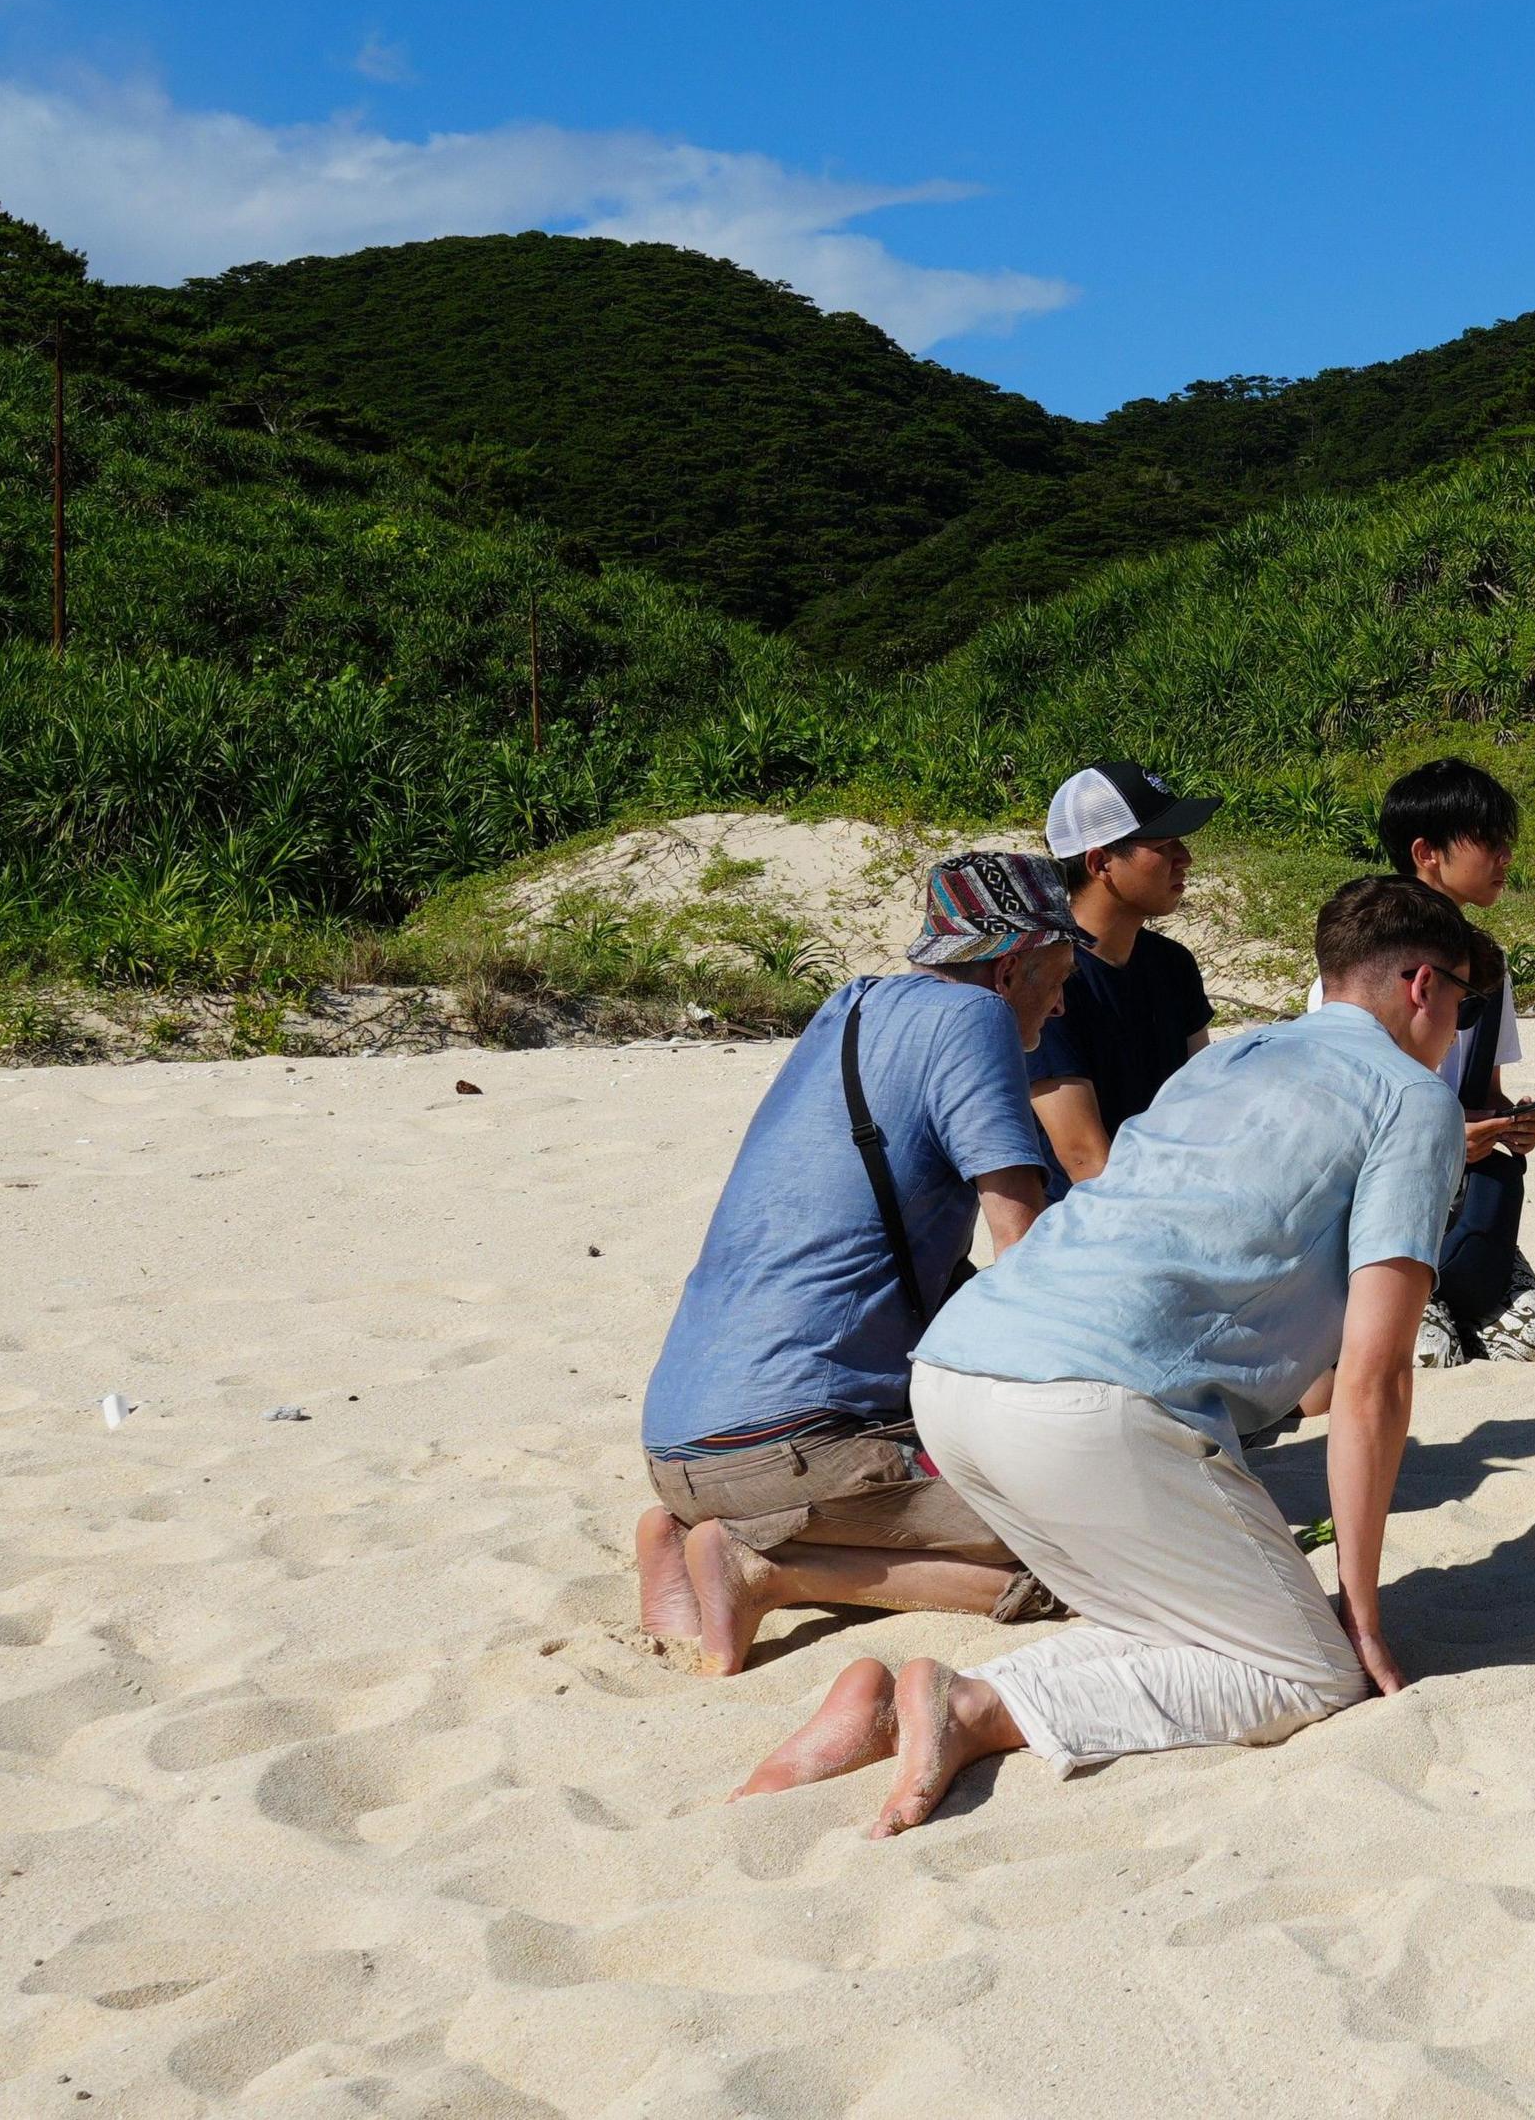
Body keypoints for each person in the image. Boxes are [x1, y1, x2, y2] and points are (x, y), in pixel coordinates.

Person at [732, 875, 1477, 1834]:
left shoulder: (1226, 1061)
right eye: (1463, 997)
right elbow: (1376, 1379)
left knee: (1176, 1624)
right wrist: (1362, 1610)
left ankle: (894, 1702)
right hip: (1089, 1400)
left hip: (957, 1376)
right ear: (1422, 985)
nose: (1460, 1024)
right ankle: (974, 1709)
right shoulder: (1414, 1099)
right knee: (1310, 1668)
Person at [633, 852, 1083, 1677]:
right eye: (1059, 975)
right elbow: (1026, 1255)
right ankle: (769, 1567)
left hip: (677, 1444)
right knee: (1081, 1540)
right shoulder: (974, 1021)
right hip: (784, 1452)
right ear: (1012, 963)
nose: (1060, 1003)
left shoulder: (850, 1006)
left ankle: (682, 1529)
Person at [1309, 759, 1535, 1368]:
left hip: (1464, 1205)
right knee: (1432, 1356)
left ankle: (1474, 1280)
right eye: (1488, 841)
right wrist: (1438, 1140)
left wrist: (1509, 1123)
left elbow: (1484, 1089)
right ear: (1426, 852)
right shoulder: (1361, 967)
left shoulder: (1487, 963)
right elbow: (1339, 1126)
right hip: (1380, 1216)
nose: (1505, 856)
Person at [1028, 760, 1220, 1183]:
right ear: (1100, 864)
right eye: (1164, 844)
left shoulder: (1172, 963)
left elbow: (1203, 1100)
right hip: (1089, 1227)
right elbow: (1084, 1160)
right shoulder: (1049, 978)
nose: (1185, 858)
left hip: (1174, 1195)